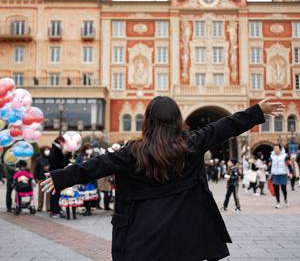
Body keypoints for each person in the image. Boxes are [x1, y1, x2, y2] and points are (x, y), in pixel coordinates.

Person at [42, 97, 283, 261]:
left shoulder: (131, 153)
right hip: (187, 240)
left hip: (142, 239)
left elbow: (97, 165)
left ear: (147, 121)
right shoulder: (191, 144)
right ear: (178, 120)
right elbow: (225, 126)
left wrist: (62, 176)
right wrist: (257, 111)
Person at [48, 136, 69, 218]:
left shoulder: (54, 149)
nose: (63, 145)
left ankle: (55, 210)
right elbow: (58, 163)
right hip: (56, 174)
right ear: (60, 142)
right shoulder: (56, 150)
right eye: (63, 143)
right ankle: (55, 211)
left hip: (54, 174)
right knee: (55, 194)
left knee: (55, 194)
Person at [76, 143, 99, 216]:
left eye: (90, 149)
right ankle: (86, 209)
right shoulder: (80, 156)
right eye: (88, 149)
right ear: (85, 150)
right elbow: (77, 165)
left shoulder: (93, 156)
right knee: (84, 195)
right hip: (83, 179)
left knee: (90, 195)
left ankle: (89, 210)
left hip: (92, 179)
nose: (89, 150)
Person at [270, 144, 292, 209]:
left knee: (283, 189)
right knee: (276, 189)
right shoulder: (272, 156)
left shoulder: (285, 156)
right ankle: (278, 202)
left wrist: (290, 172)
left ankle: (285, 199)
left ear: (280, 149)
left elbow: (289, 165)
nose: (275, 150)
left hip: (283, 174)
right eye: (274, 148)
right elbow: (270, 164)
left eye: (276, 148)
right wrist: (268, 170)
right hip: (275, 174)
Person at [34, 146, 51, 211]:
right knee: (41, 193)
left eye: (48, 149)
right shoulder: (39, 159)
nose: (47, 151)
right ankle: (39, 206)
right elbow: (36, 169)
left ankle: (48, 207)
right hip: (41, 178)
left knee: (48, 193)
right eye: (45, 150)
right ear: (43, 151)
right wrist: (36, 178)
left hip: (49, 178)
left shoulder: (51, 158)